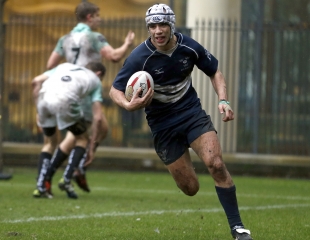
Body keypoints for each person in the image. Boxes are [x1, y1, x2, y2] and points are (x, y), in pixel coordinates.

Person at [109, 3, 253, 240]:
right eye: (153, 26)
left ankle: (238, 228)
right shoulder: (139, 57)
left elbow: (214, 71)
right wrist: (127, 104)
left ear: (171, 26)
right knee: (190, 188)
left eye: (162, 24)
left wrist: (224, 100)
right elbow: (115, 89)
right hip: (162, 125)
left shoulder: (189, 47)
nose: (158, 31)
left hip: (190, 113)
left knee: (215, 163)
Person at [37, 1, 135, 193]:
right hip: (84, 89)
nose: (100, 19)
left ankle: (72, 169)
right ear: (90, 17)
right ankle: (64, 172)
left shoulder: (65, 38)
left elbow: (50, 64)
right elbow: (114, 56)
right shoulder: (94, 36)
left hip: (67, 85)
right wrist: (127, 44)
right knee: (79, 136)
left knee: (98, 130)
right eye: (98, 16)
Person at [32, 62, 106, 199]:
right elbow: (98, 118)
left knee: (49, 143)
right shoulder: (95, 80)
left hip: (43, 100)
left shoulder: (64, 66)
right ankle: (66, 179)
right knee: (82, 139)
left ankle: (41, 186)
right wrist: (91, 148)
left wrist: (38, 111)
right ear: (99, 74)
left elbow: (36, 81)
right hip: (65, 101)